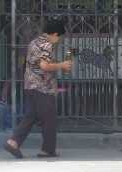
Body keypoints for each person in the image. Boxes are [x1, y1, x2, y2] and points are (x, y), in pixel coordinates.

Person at [6, 18, 72, 159]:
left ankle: (13, 142)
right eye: (59, 36)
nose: (58, 40)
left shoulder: (34, 42)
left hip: (30, 85)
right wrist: (62, 65)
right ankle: (47, 150)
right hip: (43, 87)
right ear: (54, 34)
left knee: (32, 115)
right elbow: (44, 66)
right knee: (49, 119)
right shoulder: (47, 45)